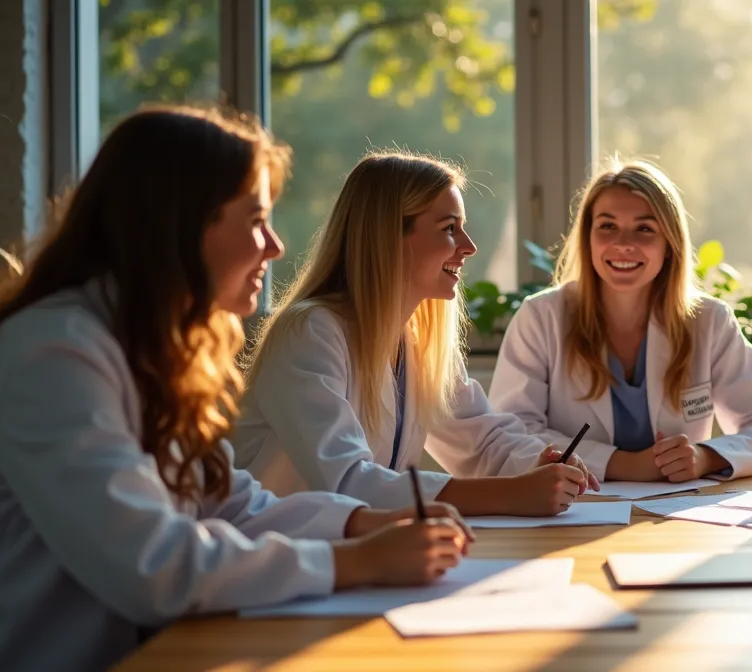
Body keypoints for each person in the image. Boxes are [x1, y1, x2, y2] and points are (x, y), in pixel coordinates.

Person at [0, 107, 470, 672]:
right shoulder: (52, 355)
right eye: (255, 220)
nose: (275, 246)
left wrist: (363, 525)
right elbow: (153, 566)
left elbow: (228, 502)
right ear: (180, 223)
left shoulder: (148, 347)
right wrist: (356, 562)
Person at [233, 151, 597, 516]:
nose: (469, 247)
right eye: (449, 228)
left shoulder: (415, 341)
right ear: (388, 236)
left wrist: (540, 462)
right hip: (281, 557)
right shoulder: (309, 334)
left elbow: (482, 443)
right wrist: (512, 494)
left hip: (359, 555)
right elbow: (347, 480)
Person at [489, 159, 752, 483]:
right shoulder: (541, 317)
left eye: (645, 229)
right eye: (607, 226)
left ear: (669, 246)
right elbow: (512, 435)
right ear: (588, 238)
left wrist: (705, 457)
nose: (624, 243)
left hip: (674, 518)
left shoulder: (708, 321)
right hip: (572, 509)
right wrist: (622, 464)